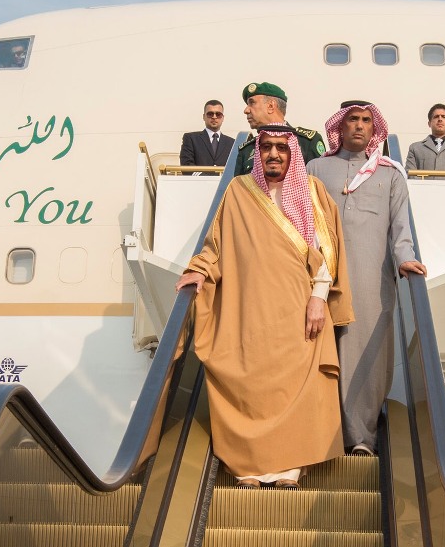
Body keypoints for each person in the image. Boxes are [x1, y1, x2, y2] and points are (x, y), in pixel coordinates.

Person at [176, 126, 354, 489]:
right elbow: (216, 244)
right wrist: (198, 270)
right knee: (252, 384)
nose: (274, 154)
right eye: (267, 147)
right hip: (250, 308)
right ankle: (250, 469)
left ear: (292, 154)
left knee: (293, 388)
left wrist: (319, 299)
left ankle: (290, 470)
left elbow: (327, 251)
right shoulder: (239, 191)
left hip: (299, 308)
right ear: (258, 154)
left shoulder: (311, 191)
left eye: (281, 148)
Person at [307, 100, 427, 456]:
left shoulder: (390, 173)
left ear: (375, 130)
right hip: (318, 279)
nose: (358, 126)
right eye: (351, 121)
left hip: (370, 277)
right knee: (317, 350)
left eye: (365, 121)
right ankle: (317, 435)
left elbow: (400, 227)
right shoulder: (315, 168)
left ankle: (360, 439)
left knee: (366, 356)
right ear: (339, 128)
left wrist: (405, 259)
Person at [233, 82, 326, 174]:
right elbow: (238, 187)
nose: (246, 110)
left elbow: (318, 184)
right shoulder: (247, 149)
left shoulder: (307, 142)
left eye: (252, 103)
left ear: (271, 106)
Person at [179, 100, 234, 174]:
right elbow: (186, 164)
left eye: (218, 114)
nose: (214, 117)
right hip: (198, 183)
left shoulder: (232, 143)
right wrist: (205, 179)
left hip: (224, 185)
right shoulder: (191, 138)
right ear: (204, 117)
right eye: (210, 114)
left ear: (223, 118)